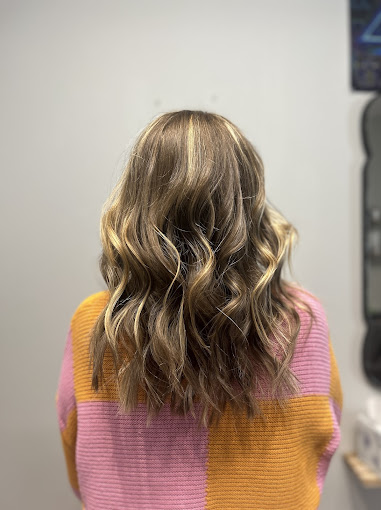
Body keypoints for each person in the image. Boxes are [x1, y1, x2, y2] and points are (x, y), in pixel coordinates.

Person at [55, 110, 343, 510]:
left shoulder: (96, 323)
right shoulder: (300, 319)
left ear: (136, 201)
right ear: (248, 201)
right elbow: (324, 441)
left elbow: (75, 449)